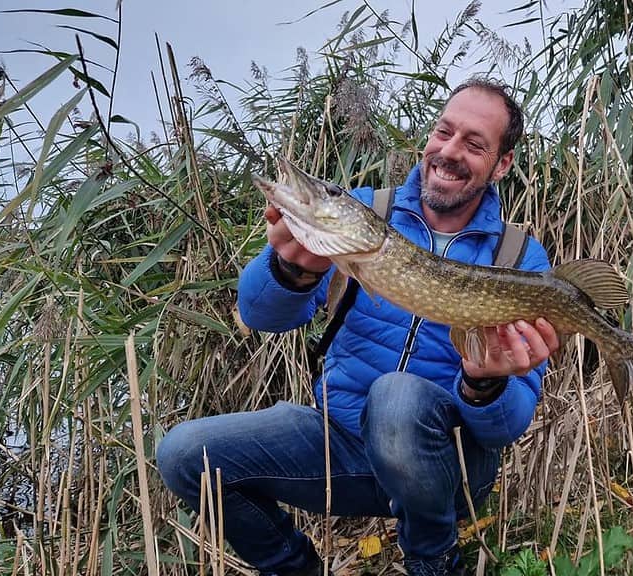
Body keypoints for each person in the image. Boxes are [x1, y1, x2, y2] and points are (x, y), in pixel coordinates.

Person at [157, 77, 560, 576]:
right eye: (443, 132)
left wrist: (485, 382)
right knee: (182, 455)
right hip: (340, 443)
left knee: (396, 396)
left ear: (501, 165)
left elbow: (507, 427)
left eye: (474, 144)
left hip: (447, 464)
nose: (449, 151)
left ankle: (433, 560)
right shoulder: (365, 212)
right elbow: (262, 315)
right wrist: (292, 269)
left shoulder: (517, 259)